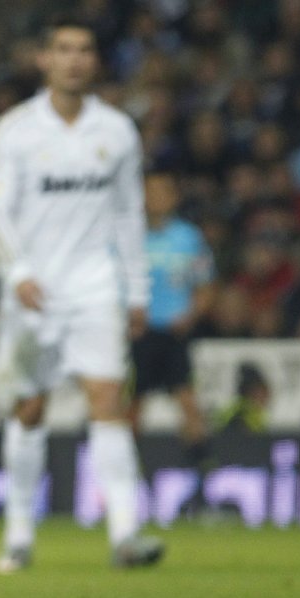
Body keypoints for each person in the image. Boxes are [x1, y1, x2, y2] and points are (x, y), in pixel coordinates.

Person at [0, 16, 163, 573]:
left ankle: (125, 533)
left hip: (94, 285)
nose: (75, 59)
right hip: (31, 290)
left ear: (95, 61)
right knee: (29, 407)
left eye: (84, 50)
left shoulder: (117, 130)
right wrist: (16, 273)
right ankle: (18, 534)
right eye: (64, 49)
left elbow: (129, 214)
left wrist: (137, 289)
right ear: (44, 59)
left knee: (107, 398)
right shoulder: (15, 129)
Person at [129, 170, 215, 463]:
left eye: (162, 192)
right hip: (138, 334)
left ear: (174, 197)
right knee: (131, 405)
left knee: (188, 402)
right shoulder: (128, 237)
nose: (155, 198)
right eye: (149, 192)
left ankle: (200, 467)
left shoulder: (189, 238)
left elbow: (205, 284)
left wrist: (191, 316)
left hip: (174, 333)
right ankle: (124, 471)